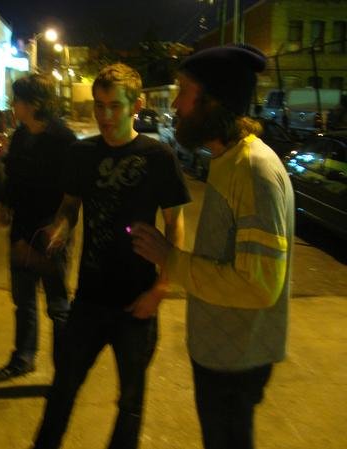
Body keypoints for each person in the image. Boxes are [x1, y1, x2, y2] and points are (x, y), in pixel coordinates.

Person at [130, 45, 294, 449]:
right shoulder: (229, 160)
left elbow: (259, 285)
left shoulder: (254, 170)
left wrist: (171, 260)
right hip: (222, 353)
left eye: (184, 91)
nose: (176, 105)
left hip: (236, 361)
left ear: (213, 100)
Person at [32, 63, 190, 449]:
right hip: (89, 298)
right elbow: (70, 206)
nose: (104, 115)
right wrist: (60, 228)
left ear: (135, 106)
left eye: (114, 106)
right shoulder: (81, 153)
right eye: (99, 106)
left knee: (130, 402)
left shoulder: (158, 156)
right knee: (62, 389)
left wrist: (161, 289)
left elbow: (176, 225)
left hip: (137, 302)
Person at [0, 74, 77, 382]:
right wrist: (3, 204)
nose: (13, 105)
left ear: (34, 104)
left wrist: (62, 226)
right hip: (22, 232)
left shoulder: (63, 140)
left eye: (17, 100)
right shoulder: (20, 136)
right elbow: (10, 177)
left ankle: (64, 372)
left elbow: (74, 192)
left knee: (58, 306)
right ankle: (23, 359)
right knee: (23, 300)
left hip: (50, 235)